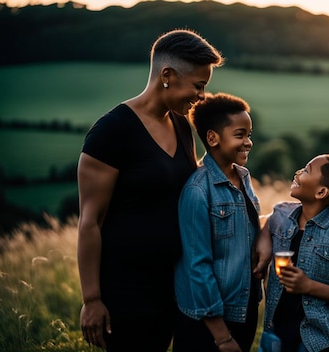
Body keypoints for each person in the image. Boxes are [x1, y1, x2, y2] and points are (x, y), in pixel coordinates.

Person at [77, 29, 223, 351]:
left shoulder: (183, 125)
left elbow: (196, 188)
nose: (202, 96)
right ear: (167, 75)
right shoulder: (112, 131)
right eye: (198, 85)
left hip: (175, 285)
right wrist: (92, 299)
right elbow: (90, 222)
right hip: (126, 290)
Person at [173, 92, 270, 352]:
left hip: (242, 310)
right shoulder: (197, 190)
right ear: (213, 138)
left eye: (249, 134)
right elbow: (197, 265)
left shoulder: (243, 177)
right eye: (240, 135)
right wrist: (222, 337)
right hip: (209, 323)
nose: (248, 142)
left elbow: (242, 230)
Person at [261, 153, 329, 352]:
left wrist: (308, 286)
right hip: (274, 333)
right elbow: (268, 220)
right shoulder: (281, 216)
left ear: (321, 192)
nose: (298, 172)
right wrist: (264, 240)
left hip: (318, 340)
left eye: (306, 170)